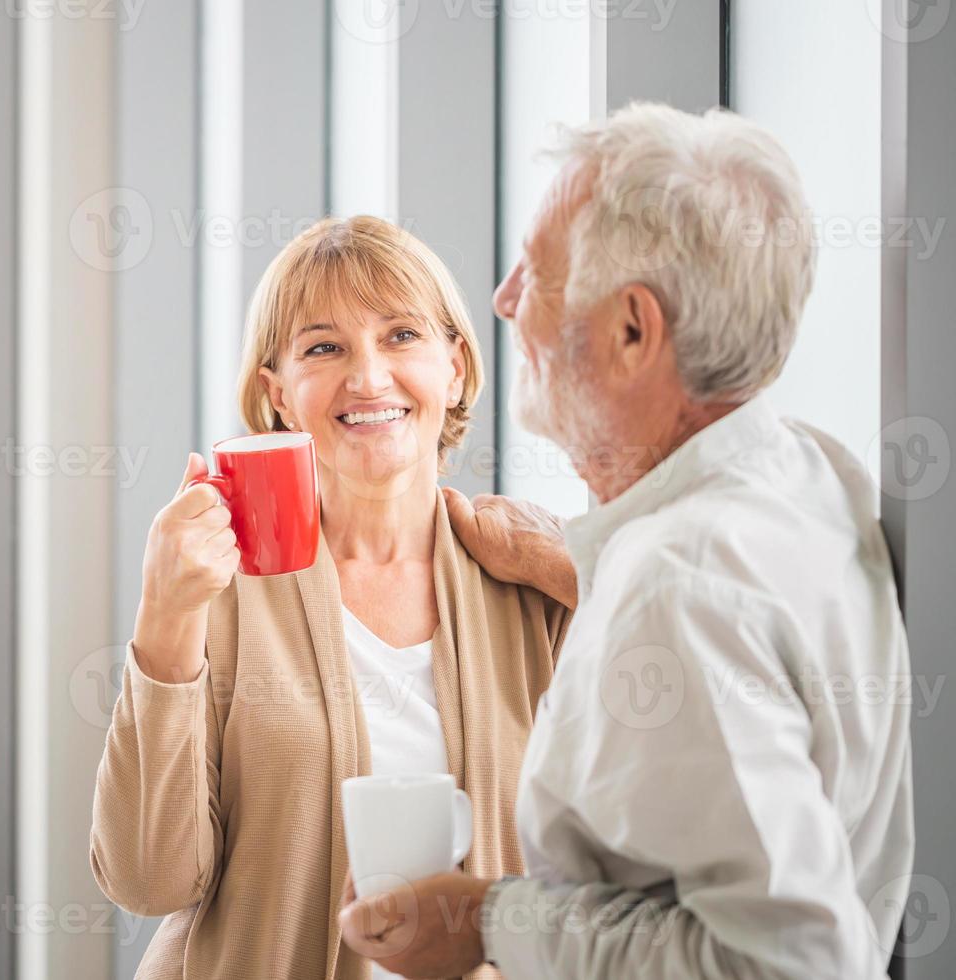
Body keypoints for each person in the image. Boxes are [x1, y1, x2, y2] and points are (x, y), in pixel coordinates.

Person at [338, 103, 915, 978]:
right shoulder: (810, 475)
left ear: (632, 331)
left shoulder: (678, 583)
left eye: (534, 273)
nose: (500, 300)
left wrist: (491, 923)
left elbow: (792, 965)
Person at [91, 215, 576, 979]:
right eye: (324, 347)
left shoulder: (534, 584)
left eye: (401, 336)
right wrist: (164, 620)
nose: (369, 378)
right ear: (276, 393)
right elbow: (148, 880)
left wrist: (586, 577)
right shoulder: (216, 592)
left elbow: (649, 860)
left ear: (454, 365)